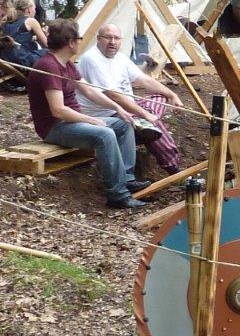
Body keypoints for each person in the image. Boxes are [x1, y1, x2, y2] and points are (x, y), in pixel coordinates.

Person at [26, 19, 149, 209]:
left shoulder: (67, 65)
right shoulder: (48, 66)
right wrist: (91, 120)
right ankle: (117, 195)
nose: (79, 43)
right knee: (105, 134)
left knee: (124, 124)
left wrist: (119, 109)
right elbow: (58, 110)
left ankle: (126, 178)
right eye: (78, 39)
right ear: (71, 42)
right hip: (55, 127)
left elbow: (90, 91)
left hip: (72, 122)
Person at [76, 23, 183, 175]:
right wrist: (145, 114)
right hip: (106, 112)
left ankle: (145, 126)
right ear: (98, 39)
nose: (112, 42)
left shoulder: (120, 58)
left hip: (126, 106)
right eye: (108, 37)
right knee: (153, 126)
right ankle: (174, 169)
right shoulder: (92, 59)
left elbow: (144, 80)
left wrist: (172, 94)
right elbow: (114, 96)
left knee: (160, 97)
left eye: (116, 38)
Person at [0, 0, 47, 69]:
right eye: (34, 9)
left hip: (6, 59)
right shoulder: (31, 21)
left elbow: (18, 38)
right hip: (22, 60)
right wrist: (46, 34)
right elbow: (47, 44)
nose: (35, 11)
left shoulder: (6, 22)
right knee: (54, 51)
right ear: (29, 10)